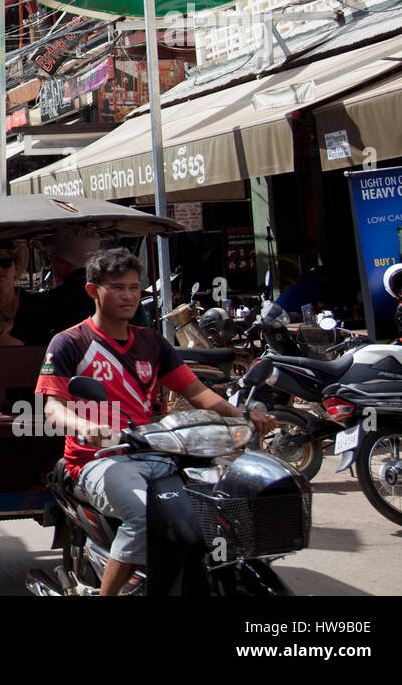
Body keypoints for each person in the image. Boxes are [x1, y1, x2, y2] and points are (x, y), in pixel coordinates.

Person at [35, 248, 277, 596]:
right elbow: (53, 408)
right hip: (99, 459)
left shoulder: (152, 342)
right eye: (117, 287)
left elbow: (197, 392)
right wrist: (86, 427)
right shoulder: (70, 342)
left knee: (222, 508)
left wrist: (244, 416)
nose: (129, 296)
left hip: (156, 452)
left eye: (134, 287)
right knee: (143, 518)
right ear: (93, 291)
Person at [12, 227, 101, 346]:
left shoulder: (38, 304)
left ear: (62, 261)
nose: (51, 262)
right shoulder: (111, 298)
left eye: (51, 257)